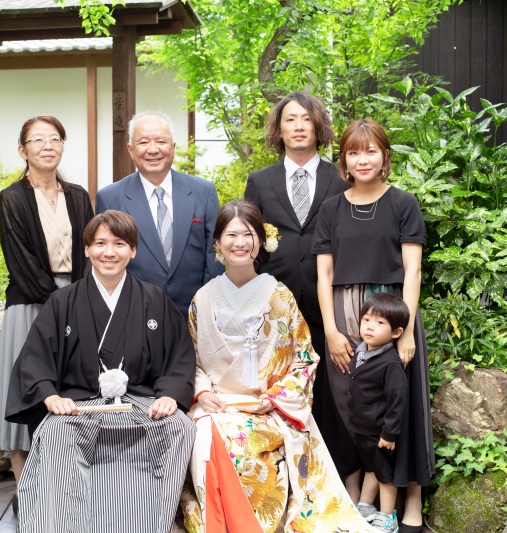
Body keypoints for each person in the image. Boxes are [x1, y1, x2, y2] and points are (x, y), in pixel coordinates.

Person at [180, 199, 373, 533]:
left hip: (269, 408)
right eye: (231, 235)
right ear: (218, 243)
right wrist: (203, 392)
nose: (239, 243)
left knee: (237, 441)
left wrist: (278, 396)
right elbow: (192, 360)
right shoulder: (203, 298)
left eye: (247, 234)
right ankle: (220, 523)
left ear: (261, 240)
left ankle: (248, 524)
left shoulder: (280, 295)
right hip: (218, 405)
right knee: (204, 434)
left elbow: (304, 359)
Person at [5, 210, 196, 533]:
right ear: (87, 250)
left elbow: (178, 356)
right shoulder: (62, 301)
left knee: (178, 427)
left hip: (139, 402)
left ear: (133, 250)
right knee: (55, 432)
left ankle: (148, 523)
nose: (109, 252)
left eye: (120, 243)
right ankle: (64, 525)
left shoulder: (155, 300)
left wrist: (169, 395)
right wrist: (50, 396)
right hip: (79, 404)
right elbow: (35, 357)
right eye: (100, 243)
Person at [313, 118, 435, 533]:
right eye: (353, 152)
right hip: (345, 318)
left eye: (370, 151)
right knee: (354, 410)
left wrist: (405, 331)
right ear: (343, 159)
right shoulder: (331, 208)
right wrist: (330, 330)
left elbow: (413, 270)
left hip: (393, 314)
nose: (361, 159)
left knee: (402, 406)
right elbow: (324, 275)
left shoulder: (403, 203)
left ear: (385, 156)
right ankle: (361, 499)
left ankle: (412, 495)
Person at [243, 92, 357, 493]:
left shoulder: (339, 177)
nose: (298, 126)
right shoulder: (260, 180)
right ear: (279, 129)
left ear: (318, 126)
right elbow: (252, 240)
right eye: (290, 119)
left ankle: (335, 475)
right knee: (280, 380)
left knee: (331, 385)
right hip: (278, 299)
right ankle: (285, 473)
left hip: (332, 294)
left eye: (305, 119)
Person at [0, 115, 94, 504]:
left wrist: (82, 300)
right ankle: (24, 487)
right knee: (23, 387)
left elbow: (88, 253)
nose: (47, 146)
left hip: (76, 298)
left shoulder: (79, 196)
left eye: (55, 139)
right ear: (23, 150)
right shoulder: (12, 197)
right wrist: (61, 303)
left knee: (71, 384)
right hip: (30, 301)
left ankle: (67, 483)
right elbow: (20, 260)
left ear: (62, 147)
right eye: (37, 140)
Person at [95, 111, 222, 316]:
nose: (153, 150)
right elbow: (104, 259)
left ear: (172, 146)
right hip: (133, 312)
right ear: (130, 149)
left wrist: (207, 305)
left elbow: (215, 252)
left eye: (161, 141)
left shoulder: (203, 191)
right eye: (143, 142)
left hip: (195, 313)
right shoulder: (111, 198)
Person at [350, 293, 410, 533]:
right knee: (371, 467)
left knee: (385, 474)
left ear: (396, 333)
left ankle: (388, 517)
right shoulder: (361, 351)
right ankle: (365, 506)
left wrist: (389, 433)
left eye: (379, 323)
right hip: (362, 426)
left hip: (380, 431)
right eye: (366, 320)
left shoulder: (390, 363)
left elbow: (397, 400)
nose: (370, 327)